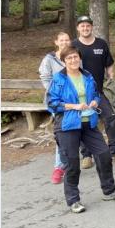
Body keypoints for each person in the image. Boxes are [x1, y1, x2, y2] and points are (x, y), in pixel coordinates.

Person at [47, 46, 115, 214]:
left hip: (88, 123)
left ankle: (109, 191)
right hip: (67, 125)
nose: (73, 60)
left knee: (104, 154)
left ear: (80, 58)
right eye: (69, 58)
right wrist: (73, 106)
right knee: (72, 163)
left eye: (75, 57)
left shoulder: (87, 75)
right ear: (64, 61)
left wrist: (94, 102)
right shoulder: (58, 79)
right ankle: (73, 200)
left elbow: (96, 95)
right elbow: (51, 103)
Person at [72, 16, 115, 169]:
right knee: (84, 123)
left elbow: (109, 63)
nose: (85, 28)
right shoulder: (74, 45)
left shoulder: (101, 44)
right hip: (81, 94)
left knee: (111, 117)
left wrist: (110, 76)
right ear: (78, 28)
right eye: (82, 26)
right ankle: (86, 156)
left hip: (99, 92)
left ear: (91, 27)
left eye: (87, 25)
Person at [39, 32, 71, 184]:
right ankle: (59, 167)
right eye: (62, 40)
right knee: (62, 133)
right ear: (56, 42)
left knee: (80, 130)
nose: (65, 42)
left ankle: (84, 157)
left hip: (75, 101)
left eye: (67, 40)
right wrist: (58, 95)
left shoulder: (73, 56)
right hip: (58, 103)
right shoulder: (49, 59)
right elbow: (46, 79)